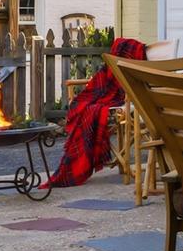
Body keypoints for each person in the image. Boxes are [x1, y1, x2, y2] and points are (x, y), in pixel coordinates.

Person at [46, 36, 147, 186]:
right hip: (121, 98)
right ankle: (92, 163)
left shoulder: (139, 62)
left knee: (91, 110)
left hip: (129, 98)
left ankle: (101, 163)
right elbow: (107, 79)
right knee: (85, 106)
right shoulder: (117, 64)